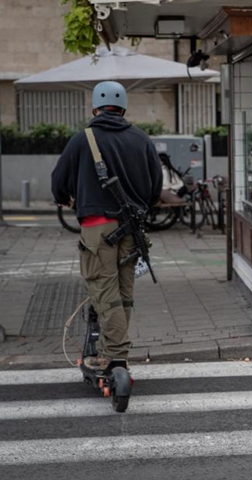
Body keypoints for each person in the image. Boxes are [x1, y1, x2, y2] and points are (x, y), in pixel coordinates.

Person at [52, 81, 162, 370]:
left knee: (104, 290)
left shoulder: (82, 139)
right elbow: (156, 187)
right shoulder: (141, 139)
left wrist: (64, 198)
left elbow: (58, 180)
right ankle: (115, 351)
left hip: (97, 228)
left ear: (95, 108)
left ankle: (113, 354)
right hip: (132, 230)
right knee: (124, 293)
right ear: (123, 108)